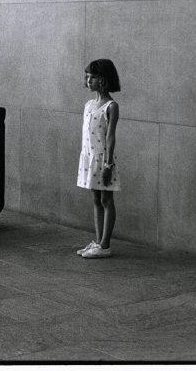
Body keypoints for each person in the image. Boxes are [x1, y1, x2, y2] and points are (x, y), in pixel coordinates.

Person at [76, 58, 121, 258]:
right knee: (96, 198)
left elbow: (110, 137)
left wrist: (108, 164)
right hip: (89, 158)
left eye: (92, 77)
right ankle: (98, 241)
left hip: (103, 159)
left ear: (103, 79)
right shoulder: (89, 104)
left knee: (106, 199)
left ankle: (105, 245)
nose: (88, 81)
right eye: (87, 77)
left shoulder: (111, 106)